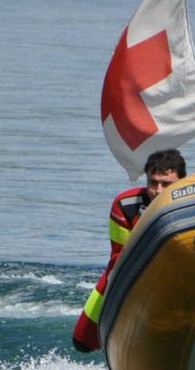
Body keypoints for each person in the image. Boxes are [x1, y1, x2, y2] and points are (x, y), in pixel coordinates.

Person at [71, 148, 186, 353]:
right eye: (153, 183)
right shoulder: (125, 205)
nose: (158, 191)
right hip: (133, 270)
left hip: (182, 272)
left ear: (182, 181)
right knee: (82, 342)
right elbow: (119, 257)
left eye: (166, 184)